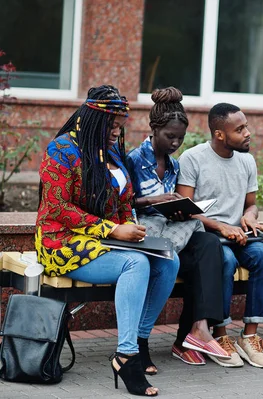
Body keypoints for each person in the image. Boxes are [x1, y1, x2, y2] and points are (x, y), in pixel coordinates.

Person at [35, 85, 180, 396]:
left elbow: (124, 200)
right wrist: (112, 230)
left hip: (110, 239)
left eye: (119, 126)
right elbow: (58, 208)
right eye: (110, 126)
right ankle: (126, 356)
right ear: (91, 122)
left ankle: (138, 340)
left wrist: (129, 226)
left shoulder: (110, 151)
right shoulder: (60, 151)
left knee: (169, 259)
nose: (116, 132)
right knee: (136, 263)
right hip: (61, 242)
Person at [126, 87, 230, 369]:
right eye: (169, 136)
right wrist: (153, 200)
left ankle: (198, 330)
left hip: (171, 235)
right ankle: (144, 343)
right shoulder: (134, 161)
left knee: (209, 246)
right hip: (143, 237)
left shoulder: (173, 166)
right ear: (154, 129)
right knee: (190, 256)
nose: (175, 143)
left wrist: (183, 210)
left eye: (180, 138)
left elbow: (172, 205)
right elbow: (121, 203)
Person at [176, 103, 263, 369]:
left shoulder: (247, 160)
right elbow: (185, 211)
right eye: (239, 129)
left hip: (240, 235)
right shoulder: (193, 159)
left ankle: (250, 336)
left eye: (246, 126)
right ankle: (220, 335)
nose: (247, 133)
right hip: (208, 238)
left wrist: (250, 217)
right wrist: (221, 227)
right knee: (226, 261)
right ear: (220, 134)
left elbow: (251, 204)